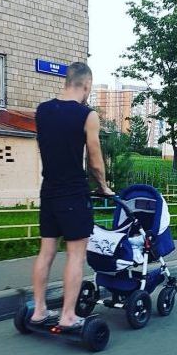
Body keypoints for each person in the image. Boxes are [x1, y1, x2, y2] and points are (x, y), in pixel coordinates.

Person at [31, 62, 114, 330]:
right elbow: (95, 160)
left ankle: (39, 310)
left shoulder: (42, 111)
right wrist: (103, 186)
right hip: (73, 193)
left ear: (66, 81)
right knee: (76, 255)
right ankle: (68, 315)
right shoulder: (87, 116)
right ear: (86, 85)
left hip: (49, 190)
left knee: (46, 252)